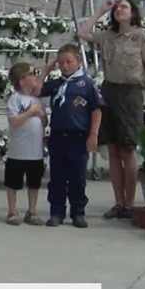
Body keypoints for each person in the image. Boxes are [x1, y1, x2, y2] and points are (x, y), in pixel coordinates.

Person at [77, 0, 145, 220]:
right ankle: (118, 202)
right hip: (110, 91)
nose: (119, 10)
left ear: (133, 12)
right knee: (113, 149)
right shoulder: (107, 36)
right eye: (117, 7)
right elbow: (82, 33)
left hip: (131, 93)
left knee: (128, 148)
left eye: (124, 7)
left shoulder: (141, 36)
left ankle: (130, 204)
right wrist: (101, 11)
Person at [39, 44, 104, 228]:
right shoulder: (56, 84)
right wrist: (46, 70)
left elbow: (96, 110)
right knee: (57, 177)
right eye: (61, 62)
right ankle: (57, 212)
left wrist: (93, 135)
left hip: (79, 137)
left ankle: (78, 212)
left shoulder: (87, 84)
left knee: (77, 177)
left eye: (69, 62)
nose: (65, 66)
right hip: (58, 136)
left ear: (79, 62)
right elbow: (35, 90)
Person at [4, 63, 47, 226]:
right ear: (22, 80)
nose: (35, 76)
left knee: (34, 183)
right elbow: (14, 121)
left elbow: (44, 121)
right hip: (17, 151)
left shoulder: (37, 99)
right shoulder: (15, 99)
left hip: (35, 151)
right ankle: (12, 211)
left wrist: (41, 114)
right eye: (32, 73)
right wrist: (29, 112)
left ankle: (32, 211)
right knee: (13, 182)